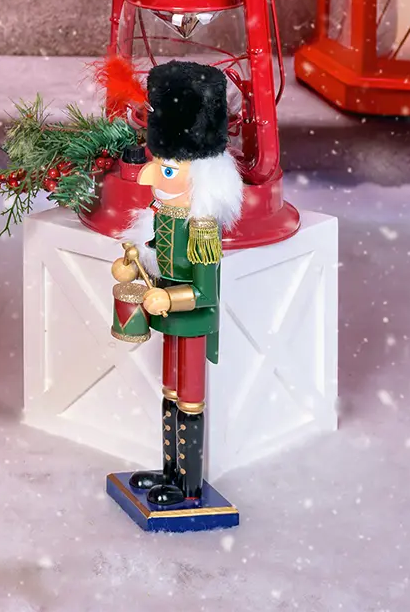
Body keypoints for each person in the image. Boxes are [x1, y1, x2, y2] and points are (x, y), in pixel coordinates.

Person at [111, 61, 243, 508]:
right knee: (169, 391)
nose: (150, 175)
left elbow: (205, 292)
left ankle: (188, 485)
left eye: (167, 170)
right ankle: (169, 470)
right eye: (158, 164)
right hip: (167, 317)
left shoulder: (202, 230)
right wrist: (135, 265)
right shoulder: (164, 217)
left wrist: (167, 297)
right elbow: (156, 256)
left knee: (189, 397)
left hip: (190, 323)